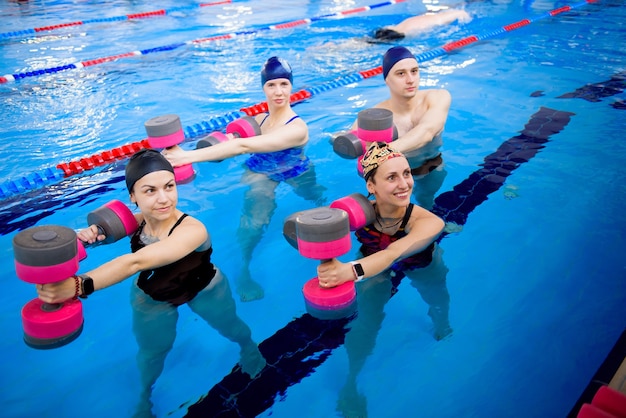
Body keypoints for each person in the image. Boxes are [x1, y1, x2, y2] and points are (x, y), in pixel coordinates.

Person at [36, 149, 266, 417]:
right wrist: (93, 233)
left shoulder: (192, 230)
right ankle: (145, 398)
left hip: (204, 289)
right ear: (132, 196)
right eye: (150, 191)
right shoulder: (139, 221)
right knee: (152, 353)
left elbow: (135, 263)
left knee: (232, 328)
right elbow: (108, 232)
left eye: (169, 186)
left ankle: (248, 348)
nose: (163, 198)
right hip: (153, 295)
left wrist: (78, 285)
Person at [164, 56, 326, 302]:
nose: (278, 91)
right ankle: (245, 269)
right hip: (261, 169)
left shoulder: (297, 128)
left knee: (316, 198)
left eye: (284, 84)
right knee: (255, 216)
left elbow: (242, 145)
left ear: (292, 86)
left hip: (295, 168)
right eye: (271, 85)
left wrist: (186, 157)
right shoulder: (259, 120)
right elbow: (232, 140)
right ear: (263, 88)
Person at [316, 142, 450, 417]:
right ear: (371, 186)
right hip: (371, 262)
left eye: (406, 173)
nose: (404, 184)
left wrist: (348, 271)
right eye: (391, 177)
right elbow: (322, 238)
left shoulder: (429, 222)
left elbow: (394, 252)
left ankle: (442, 323)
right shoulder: (353, 213)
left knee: (437, 298)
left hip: (420, 263)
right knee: (367, 319)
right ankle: (351, 382)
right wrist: (327, 262)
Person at [351, 45, 451, 209]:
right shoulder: (373, 118)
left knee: (427, 202)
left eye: (414, 71)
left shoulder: (437, 97)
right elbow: (361, 162)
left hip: (432, 166)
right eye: (401, 73)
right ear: (387, 80)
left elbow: (427, 131)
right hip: (393, 179)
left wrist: (382, 151)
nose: (410, 79)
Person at [372, 8, 472, 42]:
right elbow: (464, 14)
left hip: (391, 29)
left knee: (372, 42)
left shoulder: (427, 17)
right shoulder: (441, 19)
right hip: (400, 35)